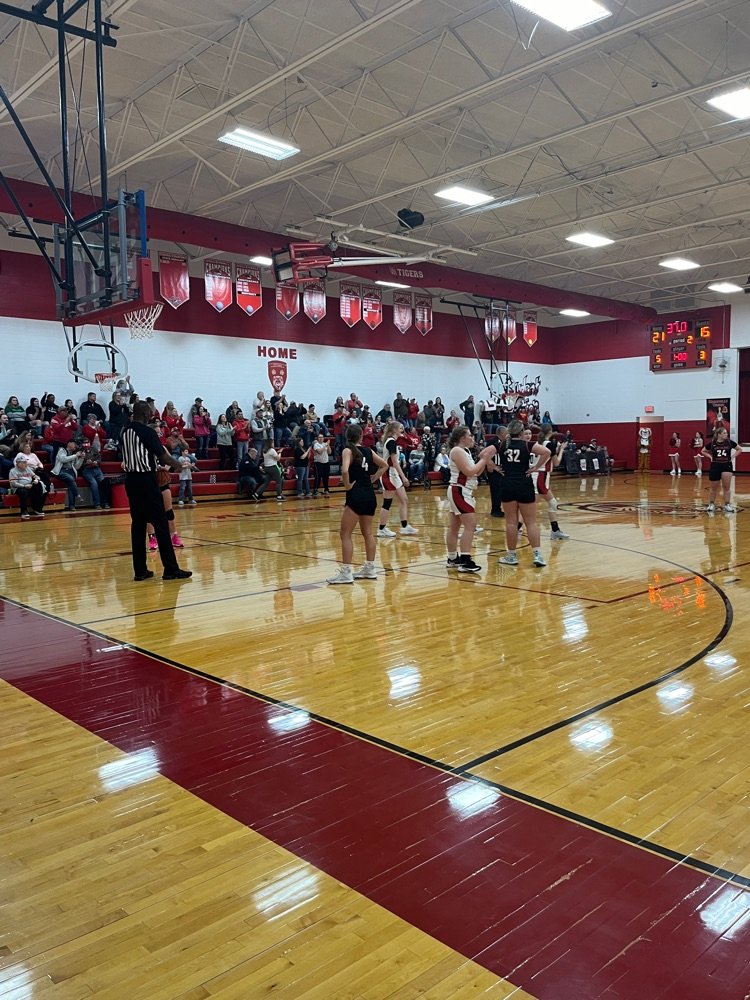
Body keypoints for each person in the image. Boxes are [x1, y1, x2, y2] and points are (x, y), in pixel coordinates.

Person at [120, 400, 191, 581]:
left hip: (131, 481)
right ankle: (170, 569)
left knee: (138, 525)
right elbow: (164, 456)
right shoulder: (147, 432)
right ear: (146, 414)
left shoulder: (124, 431)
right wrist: (178, 465)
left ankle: (140, 571)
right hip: (146, 481)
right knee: (161, 524)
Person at [327, 424, 387, 584]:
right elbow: (384, 465)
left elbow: (345, 470)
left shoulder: (348, 450)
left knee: (345, 534)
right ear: (361, 436)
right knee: (368, 533)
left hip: (356, 494)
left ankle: (346, 572)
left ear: (347, 436)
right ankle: (370, 568)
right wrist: (373, 478)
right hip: (370, 495)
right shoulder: (368, 450)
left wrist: (347, 486)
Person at [494, 419, 550, 567]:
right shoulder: (527, 445)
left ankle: (511, 555)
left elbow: (483, 454)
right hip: (524, 484)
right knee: (531, 522)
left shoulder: (502, 445)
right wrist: (536, 467)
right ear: (521, 432)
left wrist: (495, 467)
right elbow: (547, 452)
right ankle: (537, 555)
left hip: (507, 484)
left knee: (511, 522)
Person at [445, 425, 496, 573]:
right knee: (470, 526)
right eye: (470, 435)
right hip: (459, 490)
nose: (472, 438)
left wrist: (484, 460)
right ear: (462, 438)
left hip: (461, 490)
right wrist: (484, 458)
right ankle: (465, 561)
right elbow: (469, 471)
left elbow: (476, 473)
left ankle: (453, 558)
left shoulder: (464, 451)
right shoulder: (457, 450)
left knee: (454, 527)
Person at [376, 420, 418, 537]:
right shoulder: (391, 442)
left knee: (404, 500)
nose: (402, 430)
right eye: (400, 428)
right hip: (389, 475)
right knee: (387, 503)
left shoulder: (392, 442)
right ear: (394, 430)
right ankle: (381, 529)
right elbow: (394, 462)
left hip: (393, 475)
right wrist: (404, 477)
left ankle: (404, 527)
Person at [534, 429, 569, 540]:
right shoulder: (549, 444)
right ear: (550, 432)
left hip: (536, 475)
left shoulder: (536, 443)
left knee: (552, 502)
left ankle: (555, 530)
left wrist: (556, 449)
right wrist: (562, 450)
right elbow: (556, 463)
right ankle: (517, 529)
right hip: (541, 476)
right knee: (531, 507)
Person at [702, 428, 741, 513]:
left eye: (726, 433)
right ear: (719, 434)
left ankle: (727, 504)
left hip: (726, 465)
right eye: (724, 433)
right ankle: (711, 504)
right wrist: (710, 457)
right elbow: (703, 451)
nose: (726, 434)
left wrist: (732, 457)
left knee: (726, 487)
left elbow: (739, 449)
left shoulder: (730, 442)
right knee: (713, 487)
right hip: (715, 465)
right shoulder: (712, 443)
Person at [9, 454, 46, 519]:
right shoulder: (13, 471)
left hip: (29, 485)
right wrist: (24, 486)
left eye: (26, 462)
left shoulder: (28, 469)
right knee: (24, 492)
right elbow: (13, 483)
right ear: (18, 463)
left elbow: (36, 476)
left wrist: (36, 479)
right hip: (18, 488)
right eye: (23, 462)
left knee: (39, 486)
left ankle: (37, 508)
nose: (26, 464)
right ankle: (24, 511)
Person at [52, 440, 84, 510]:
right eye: (74, 444)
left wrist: (81, 458)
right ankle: (77, 495)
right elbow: (63, 459)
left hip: (70, 471)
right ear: (69, 444)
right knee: (71, 479)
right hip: (61, 470)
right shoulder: (62, 450)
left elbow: (76, 467)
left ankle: (72, 506)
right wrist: (75, 455)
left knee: (70, 485)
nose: (75, 446)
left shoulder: (74, 453)